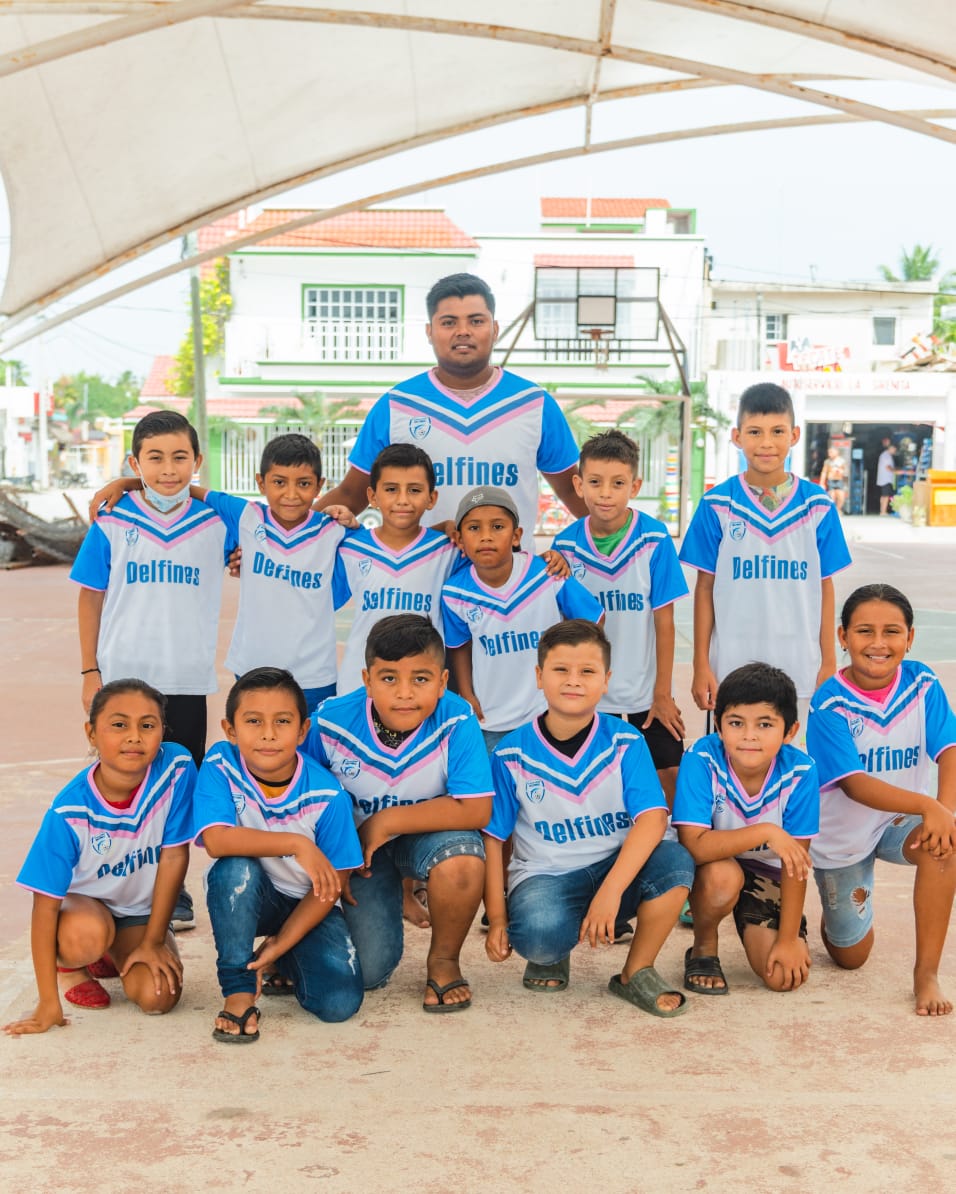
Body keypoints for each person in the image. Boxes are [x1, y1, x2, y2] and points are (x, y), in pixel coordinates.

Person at [483, 620, 694, 1016]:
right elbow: (494, 839)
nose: (573, 681)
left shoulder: (626, 741)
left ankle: (636, 972)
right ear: (539, 676)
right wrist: (496, 918)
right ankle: (553, 952)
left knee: (676, 863)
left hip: (617, 868)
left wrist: (610, 893)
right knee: (538, 935)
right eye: (561, 670)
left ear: (606, 680)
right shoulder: (511, 754)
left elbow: (651, 820)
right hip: (548, 876)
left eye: (587, 672)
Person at [71, 410, 229, 931]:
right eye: (154, 458)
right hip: (123, 680)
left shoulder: (216, 523)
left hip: (185, 679)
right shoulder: (112, 520)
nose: (168, 469)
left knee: (177, 783)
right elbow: (91, 597)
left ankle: (173, 886)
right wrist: (90, 672)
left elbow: (265, 524)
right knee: (124, 782)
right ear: (136, 462)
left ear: (197, 462)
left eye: (179, 457)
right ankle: (117, 883)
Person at [304, 614, 493, 1012]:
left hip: (426, 837)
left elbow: (475, 809)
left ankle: (444, 962)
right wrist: (339, 859)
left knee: (463, 859)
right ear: (367, 679)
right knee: (368, 973)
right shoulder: (329, 722)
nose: (404, 693)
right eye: (389, 678)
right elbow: (303, 806)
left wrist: (385, 821)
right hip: (358, 854)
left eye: (420, 679)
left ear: (443, 682)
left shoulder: (457, 719)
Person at [317, 272, 587, 546]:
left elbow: (576, 494)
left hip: (508, 582)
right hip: (419, 579)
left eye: (476, 321)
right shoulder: (396, 406)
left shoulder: (535, 404)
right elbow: (352, 494)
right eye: (448, 322)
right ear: (429, 331)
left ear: (494, 329)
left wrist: (628, 545)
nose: (463, 331)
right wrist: (283, 537)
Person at [4, 680, 195, 1035]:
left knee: (158, 996)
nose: (134, 736)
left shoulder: (177, 769)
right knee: (88, 935)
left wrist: (153, 942)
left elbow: (173, 859)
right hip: (85, 912)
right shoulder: (70, 812)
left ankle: (115, 952)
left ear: (162, 731)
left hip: (139, 915)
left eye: (148, 725)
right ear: (92, 733)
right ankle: (73, 967)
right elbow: (44, 907)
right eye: (119, 724)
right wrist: (48, 1003)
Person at [807, 584, 956, 1016]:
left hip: (898, 821)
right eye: (864, 631)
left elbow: (948, 749)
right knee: (850, 957)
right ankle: (836, 912)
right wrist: (930, 807)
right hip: (844, 834)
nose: (878, 643)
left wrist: (942, 812)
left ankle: (925, 973)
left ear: (909, 639)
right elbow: (854, 784)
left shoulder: (922, 681)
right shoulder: (829, 702)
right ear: (843, 637)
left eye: (891, 631)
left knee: (944, 845)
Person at [196, 667, 364, 1043]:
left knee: (338, 1004)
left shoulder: (327, 794)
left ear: (303, 731)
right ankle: (238, 991)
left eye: (282, 721)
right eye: (254, 721)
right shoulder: (221, 763)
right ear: (230, 729)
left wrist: (278, 945)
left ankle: (284, 958)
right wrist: (296, 843)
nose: (269, 734)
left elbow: (330, 887)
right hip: (251, 896)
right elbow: (217, 841)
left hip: (307, 902)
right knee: (233, 871)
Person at [679, 382, 852, 727]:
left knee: (794, 763)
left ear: (795, 435)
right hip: (731, 665)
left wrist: (828, 661)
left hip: (800, 667)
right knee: (734, 762)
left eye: (777, 431)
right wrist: (702, 664)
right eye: (755, 432)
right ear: (737, 436)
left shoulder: (817, 506)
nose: (767, 442)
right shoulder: (717, 505)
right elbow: (704, 588)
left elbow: (825, 586)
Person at [551, 429, 688, 802]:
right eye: (595, 482)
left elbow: (664, 622)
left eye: (617, 483)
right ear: (578, 485)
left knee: (671, 784)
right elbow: (564, 628)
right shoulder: (565, 546)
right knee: (601, 791)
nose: (605, 493)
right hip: (591, 697)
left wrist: (663, 692)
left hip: (646, 697)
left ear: (635, 485)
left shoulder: (654, 540)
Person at [672, 662, 818, 996]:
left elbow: (795, 864)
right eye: (736, 723)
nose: (749, 735)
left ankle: (780, 923)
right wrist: (764, 831)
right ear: (719, 727)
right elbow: (693, 845)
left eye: (765, 724)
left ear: (790, 731)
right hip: (715, 865)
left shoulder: (801, 772)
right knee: (723, 880)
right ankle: (704, 946)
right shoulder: (702, 758)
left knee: (782, 977)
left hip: (769, 873)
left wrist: (787, 938)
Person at [442, 486, 604, 753]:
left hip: (547, 713)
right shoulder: (455, 593)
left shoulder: (547, 573)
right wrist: (467, 694)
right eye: (474, 529)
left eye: (497, 527)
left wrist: (569, 671)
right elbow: (459, 646)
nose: (485, 537)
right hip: (491, 718)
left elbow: (594, 619)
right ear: (459, 539)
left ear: (516, 535)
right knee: (497, 790)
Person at [333, 443, 460, 696]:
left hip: (422, 689)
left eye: (414, 490)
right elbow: (313, 596)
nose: (402, 500)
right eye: (391, 489)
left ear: (431, 498)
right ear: (372, 496)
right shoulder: (349, 547)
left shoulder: (451, 550)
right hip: (359, 687)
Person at [818, 445, 848, 514]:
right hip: (831, 480)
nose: (829, 454)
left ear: (836, 452)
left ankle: (838, 509)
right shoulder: (827, 462)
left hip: (839, 480)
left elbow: (846, 471)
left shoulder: (841, 461)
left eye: (831, 452)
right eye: (829, 452)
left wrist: (841, 472)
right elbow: (824, 472)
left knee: (840, 495)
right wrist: (822, 482)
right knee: (831, 495)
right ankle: (833, 510)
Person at [876, 437, 896, 516]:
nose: (895, 451)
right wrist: (897, 471)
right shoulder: (886, 455)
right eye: (894, 449)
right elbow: (888, 467)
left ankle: (882, 511)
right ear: (891, 448)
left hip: (885, 479)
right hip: (886, 479)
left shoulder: (886, 455)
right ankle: (883, 511)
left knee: (884, 495)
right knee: (885, 495)